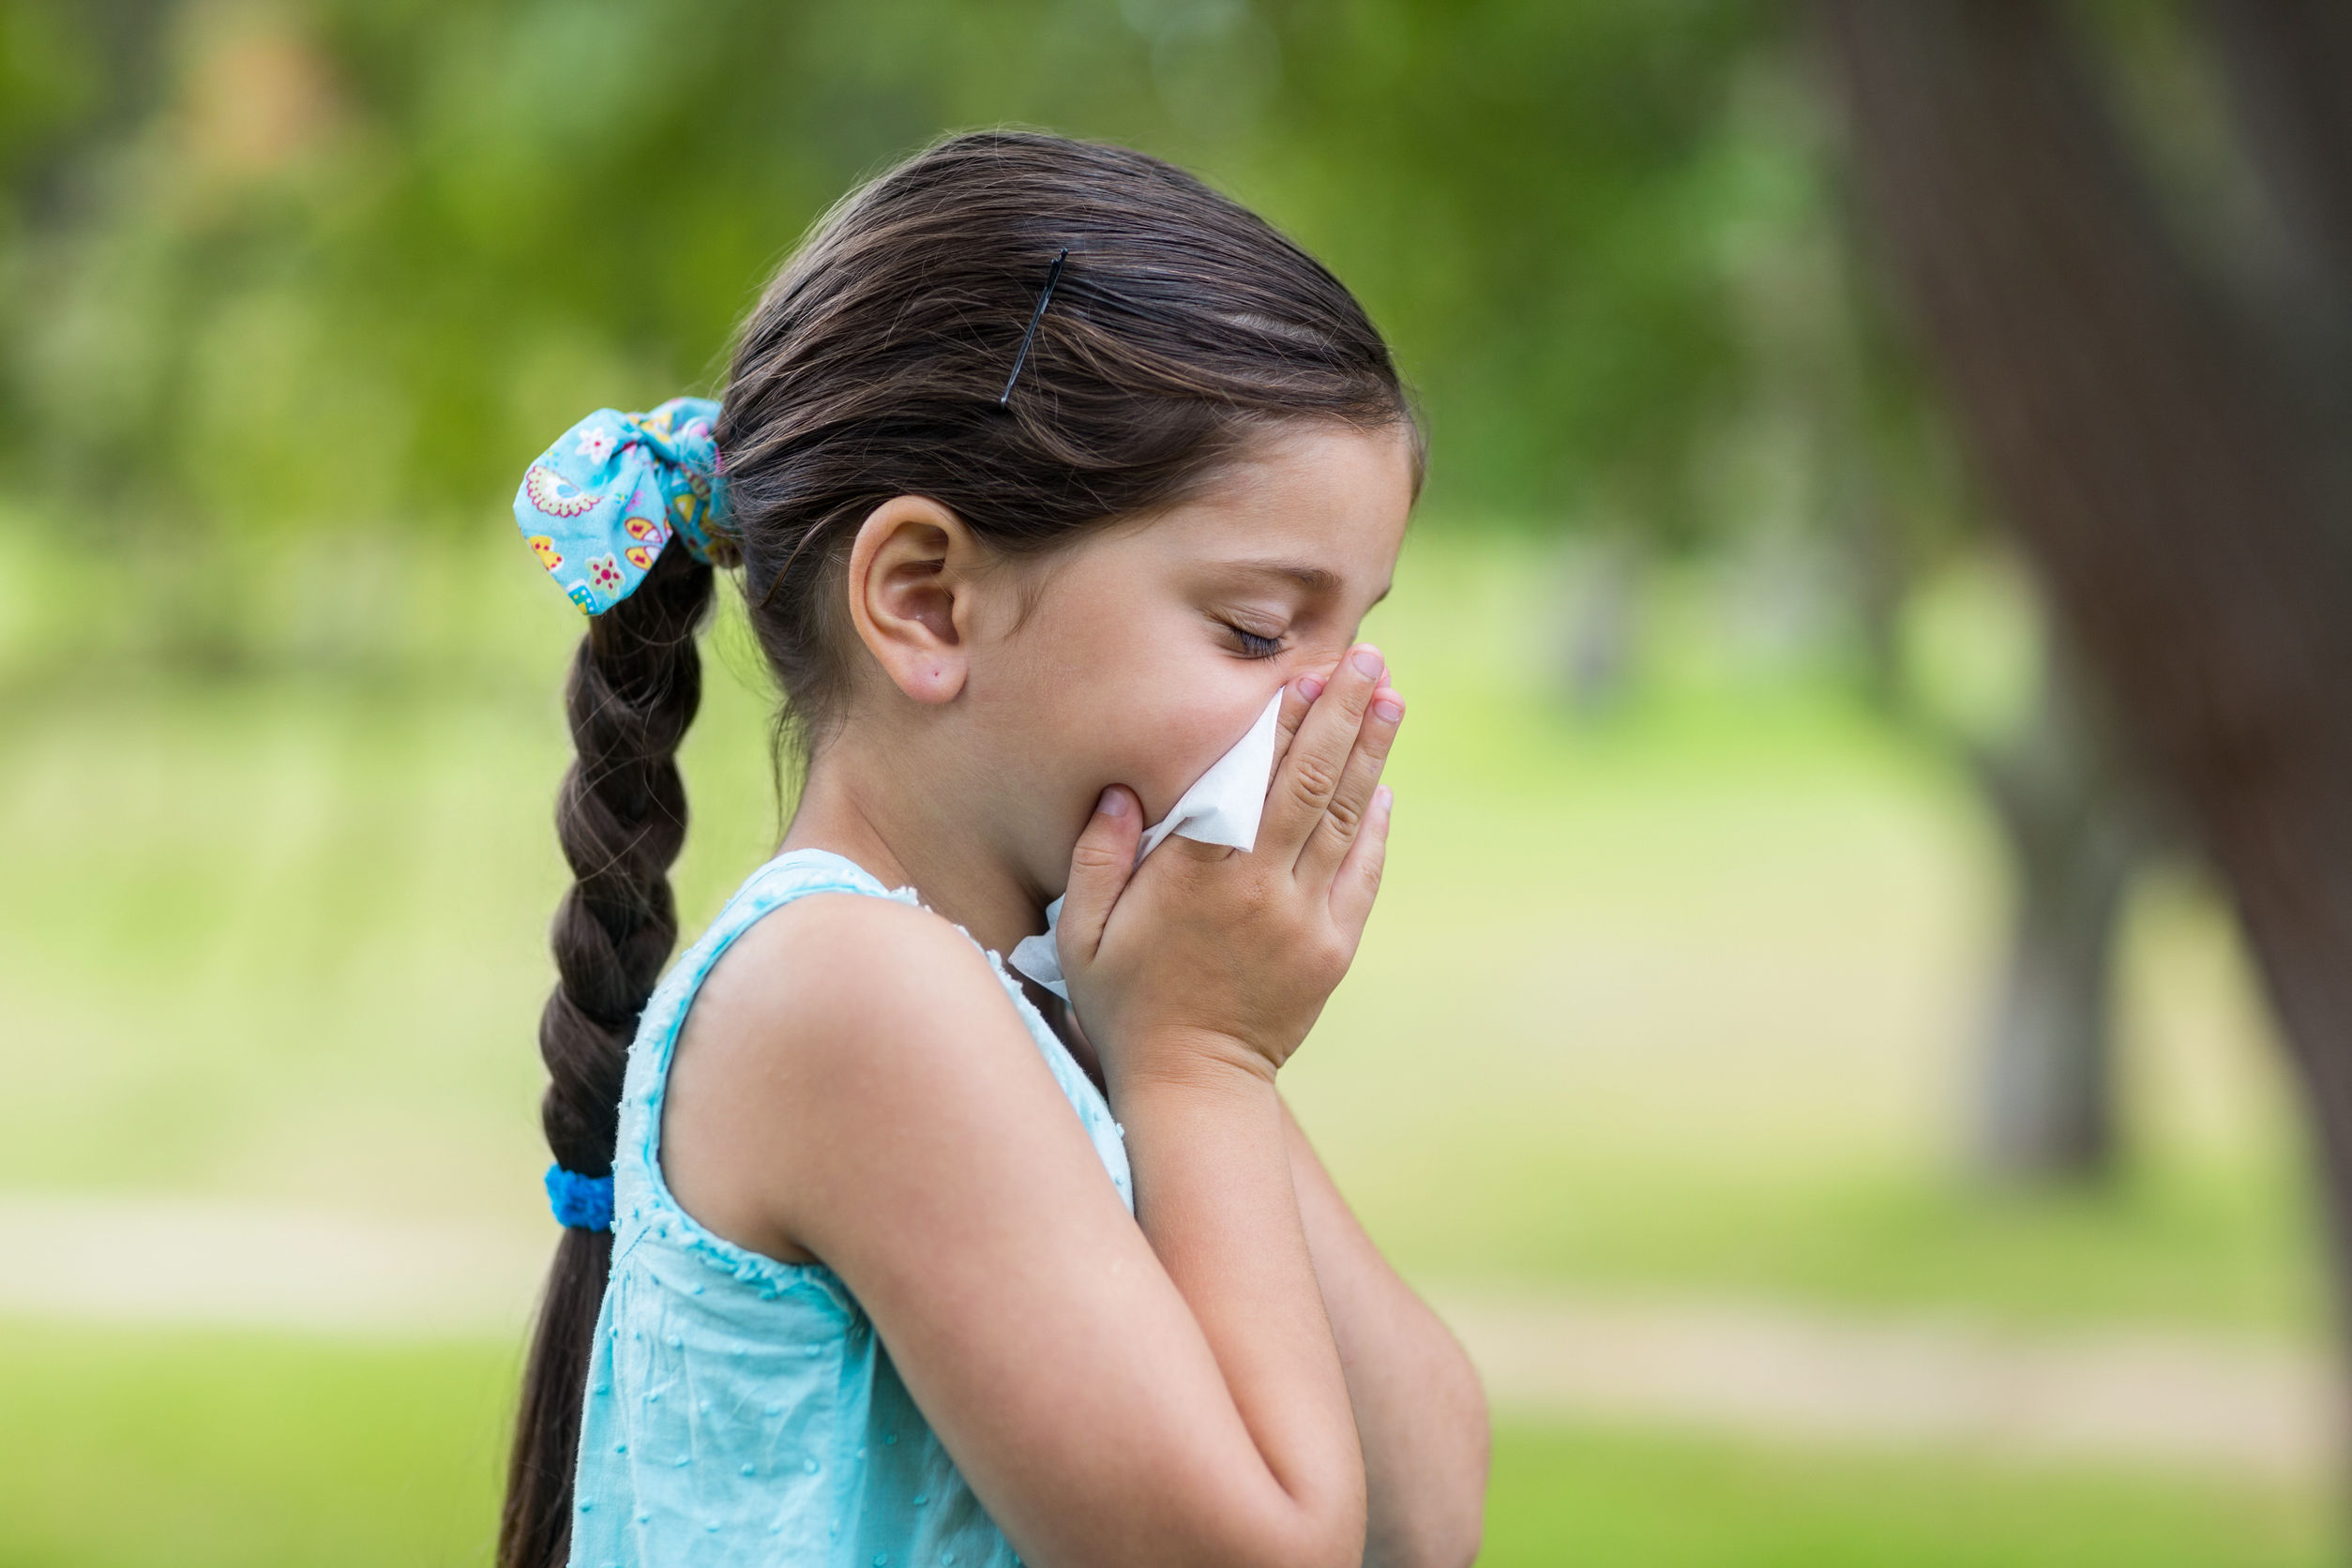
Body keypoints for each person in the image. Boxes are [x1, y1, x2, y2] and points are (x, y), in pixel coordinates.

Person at [503, 128, 1489, 1568]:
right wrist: (1200, 1067)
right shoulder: (848, 991)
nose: (1337, 704)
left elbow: (1427, 1517)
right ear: (926, 602)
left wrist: (1197, 1047)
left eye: (1354, 628)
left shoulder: (1080, 987)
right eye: (1261, 631)